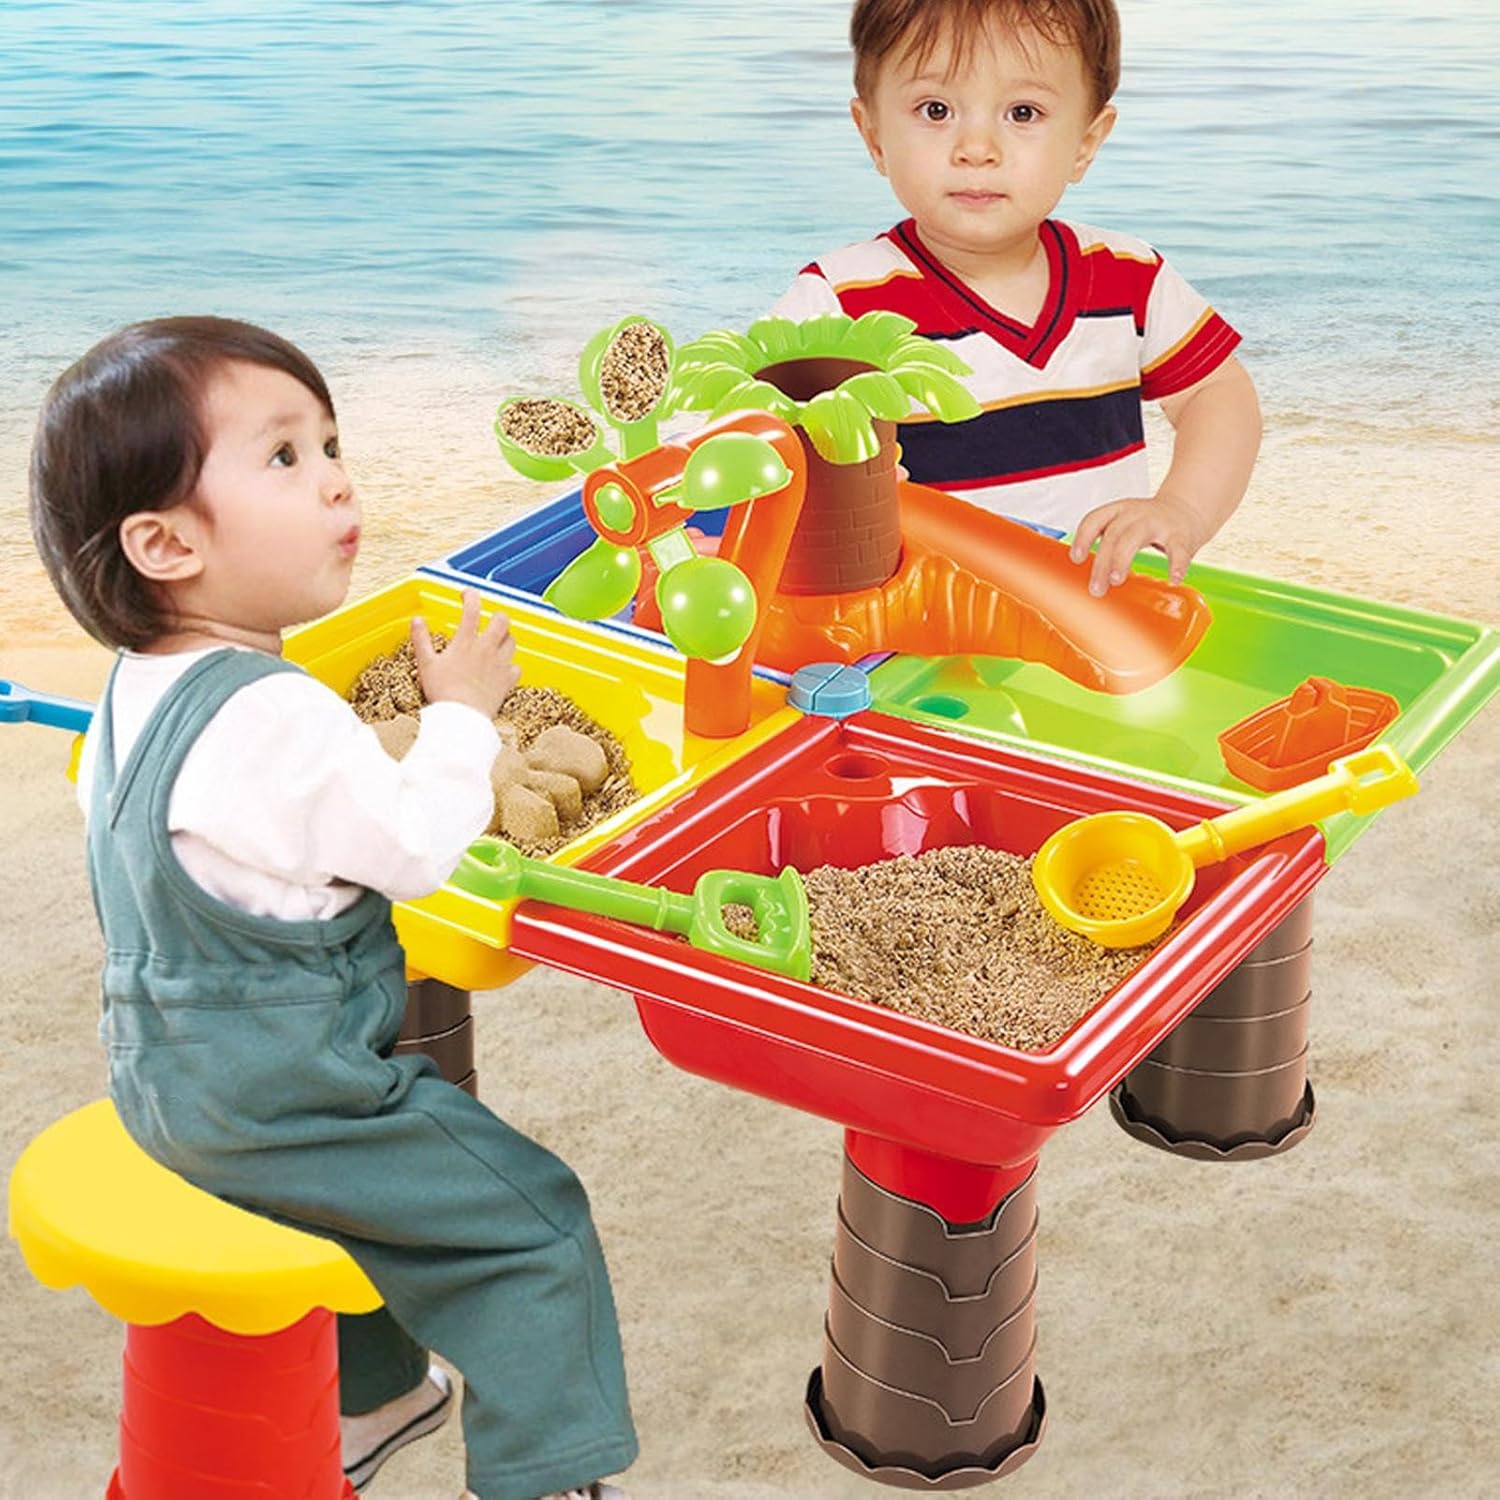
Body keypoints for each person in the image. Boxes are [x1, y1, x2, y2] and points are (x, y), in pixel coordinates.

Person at [28, 316, 635, 1500]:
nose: (338, 480)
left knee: (361, 1208)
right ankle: (546, 1476)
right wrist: (460, 715)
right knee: (532, 1223)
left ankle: (381, 1398)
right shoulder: (277, 711)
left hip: (169, 1087)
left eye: (332, 443)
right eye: (284, 456)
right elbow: (415, 849)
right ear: (165, 543)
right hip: (291, 1103)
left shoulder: (136, 690)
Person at [772, 0, 1261, 595]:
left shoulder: (1128, 277)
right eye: (935, 110)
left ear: (1085, 142)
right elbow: (748, 433)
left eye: (1022, 112)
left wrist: (1181, 508)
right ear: (873, 135)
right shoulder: (842, 301)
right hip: (918, 624)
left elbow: (1217, 394)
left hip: (1098, 609)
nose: (977, 148)